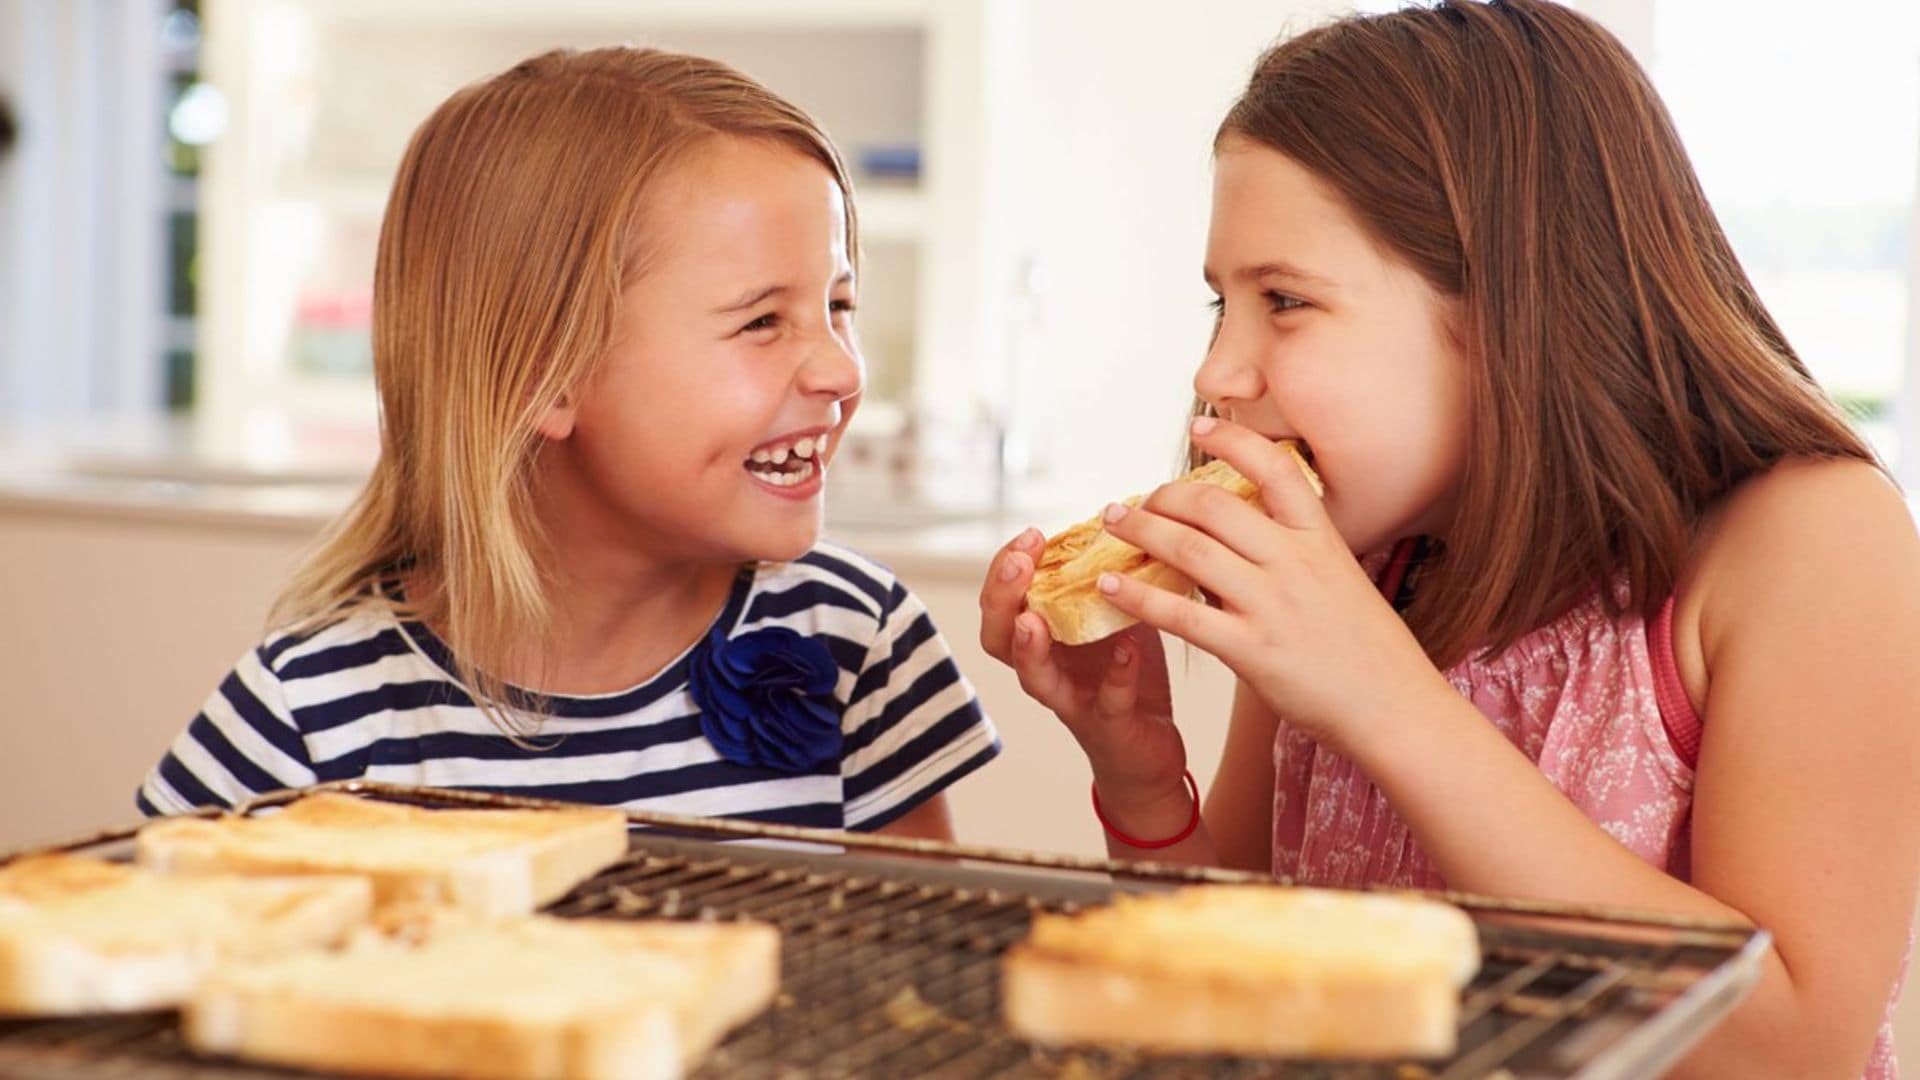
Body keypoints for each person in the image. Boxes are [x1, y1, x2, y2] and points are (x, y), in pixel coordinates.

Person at [978, 2, 1919, 1073]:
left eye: (1284, 301)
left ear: (1513, 305)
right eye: (1218, 307)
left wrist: (1382, 697)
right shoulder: (1356, 561)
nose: (1215, 375)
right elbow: (1227, 1004)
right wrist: (1143, 780)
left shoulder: (1811, 539)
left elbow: (1793, 1051)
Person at [139, 47, 999, 839]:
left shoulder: (855, 639)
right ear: (542, 375)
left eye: (838, 307)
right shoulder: (309, 717)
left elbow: (927, 989)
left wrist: (1137, 784)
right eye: (763, 320)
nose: (843, 373)